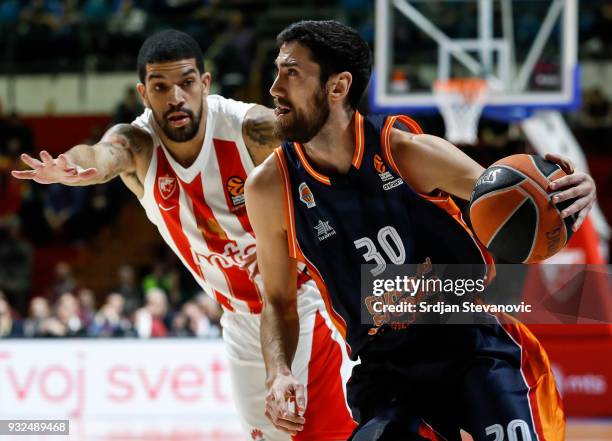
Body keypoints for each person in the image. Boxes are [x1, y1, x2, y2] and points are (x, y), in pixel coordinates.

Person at [244, 20, 597, 441]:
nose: (274, 89)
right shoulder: (269, 188)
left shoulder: (404, 151)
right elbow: (279, 301)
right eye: (278, 71)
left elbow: (509, 200)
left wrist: (567, 195)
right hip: (386, 371)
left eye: (291, 72)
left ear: (337, 87)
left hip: (469, 342)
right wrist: (278, 372)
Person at [12, 30, 355, 441]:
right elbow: (102, 154)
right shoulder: (138, 145)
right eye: (160, 86)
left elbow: (337, 159)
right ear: (143, 93)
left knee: (328, 434)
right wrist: (71, 165)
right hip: (239, 318)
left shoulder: (251, 130)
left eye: (186, 83)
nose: (175, 97)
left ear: (205, 85)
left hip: (305, 301)